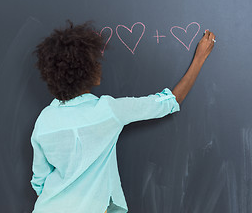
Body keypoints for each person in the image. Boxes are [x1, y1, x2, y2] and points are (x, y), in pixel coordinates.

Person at [30, 20, 216, 213]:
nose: (99, 66)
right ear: (88, 72)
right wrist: (199, 58)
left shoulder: (44, 119)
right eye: (95, 62)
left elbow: (39, 181)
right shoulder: (108, 111)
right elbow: (170, 101)